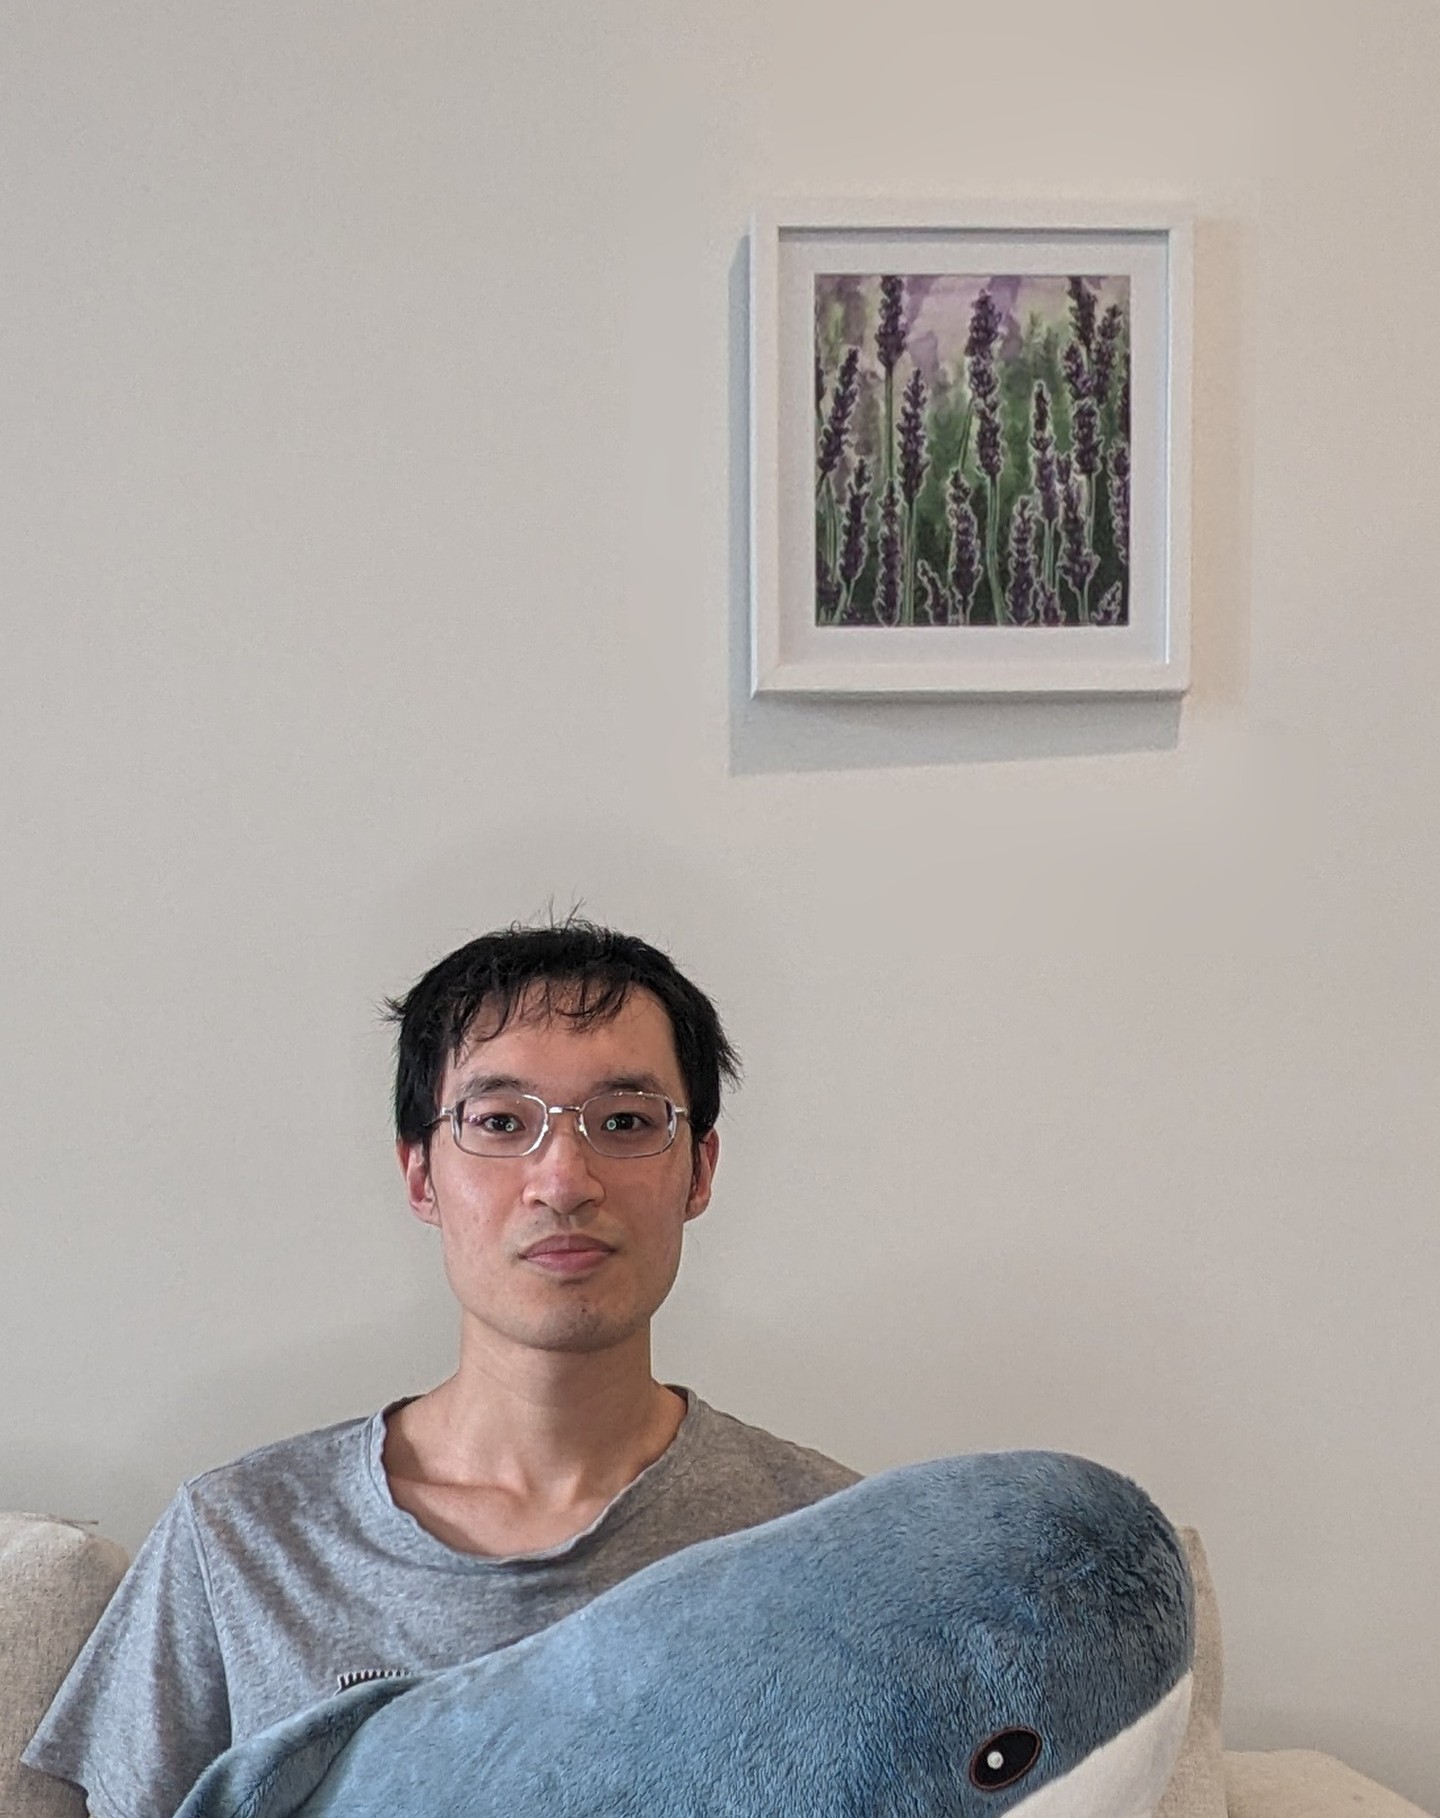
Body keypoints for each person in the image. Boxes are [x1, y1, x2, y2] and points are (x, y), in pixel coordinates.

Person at [25, 920, 857, 1818]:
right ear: (421, 1176)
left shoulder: (832, 1542)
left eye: (625, 1122)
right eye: (500, 1123)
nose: (564, 1179)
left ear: (699, 1170)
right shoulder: (239, 1540)